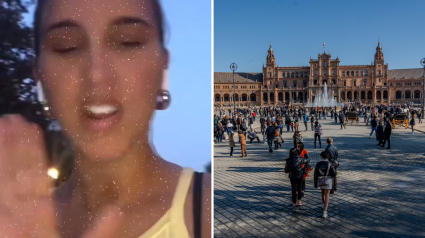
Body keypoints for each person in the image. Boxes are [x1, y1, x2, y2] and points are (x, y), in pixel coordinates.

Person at [9, 0, 212, 237]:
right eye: (66, 47)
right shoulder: (17, 223)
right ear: (40, 79)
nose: (97, 74)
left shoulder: (212, 209)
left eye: (128, 42)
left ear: (162, 69)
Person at [314, 151, 337, 218]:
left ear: (321, 156)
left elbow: (315, 174)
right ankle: (325, 211)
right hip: (328, 180)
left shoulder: (318, 164)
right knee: (327, 195)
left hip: (321, 180)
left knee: (323, 193)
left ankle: (324, 205)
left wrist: (315, 183)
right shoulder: (330, 163)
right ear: (327, 157)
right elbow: (335, 173)